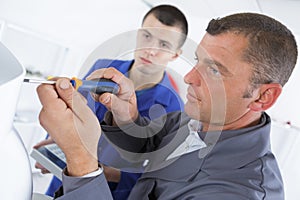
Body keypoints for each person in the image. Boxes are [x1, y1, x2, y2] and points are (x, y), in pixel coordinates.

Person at [36, 12, 297, 199]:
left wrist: (81, 161)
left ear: (264, 97)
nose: (189, 78)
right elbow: (148, 148)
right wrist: (127, 118)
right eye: (198, 61)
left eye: (215, 71)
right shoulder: (195, 120)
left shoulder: (240, 191)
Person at [41, 4, 188, 199]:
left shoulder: (174, 108)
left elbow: (153, 178)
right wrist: (54, 142)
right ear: (137, 34)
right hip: (63, 177)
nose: (150, 50)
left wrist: (99, 169)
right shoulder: (102, 66)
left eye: (163, 45)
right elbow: (72, 109)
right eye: (146, 36)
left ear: (176, 54)